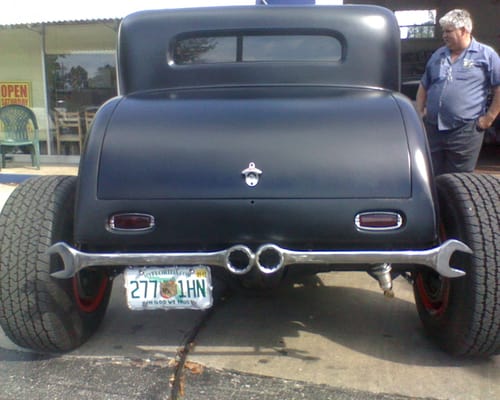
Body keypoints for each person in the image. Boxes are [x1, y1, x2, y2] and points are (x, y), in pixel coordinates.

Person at [415, 9, 500, 175]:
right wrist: (420, 112)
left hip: (465, 131)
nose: (444, 36)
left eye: (448, 31)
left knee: (459, 180)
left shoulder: (486, 55)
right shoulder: (438, 55)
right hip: (434, 129)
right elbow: (424, 85)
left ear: (464, 31)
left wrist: (488, 119)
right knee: (431, 175)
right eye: (443, 31)